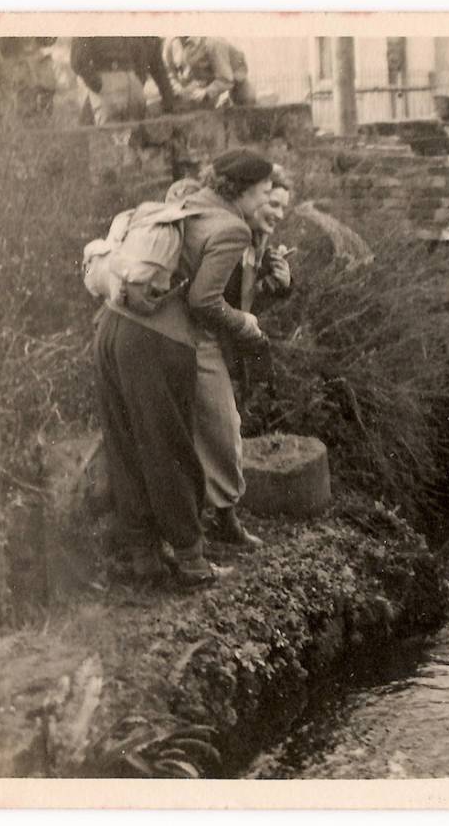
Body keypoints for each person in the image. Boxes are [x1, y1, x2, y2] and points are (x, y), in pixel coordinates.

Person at [95, 148, 273, 589]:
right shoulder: (232, 228)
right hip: (158, 341)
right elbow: (204, 301)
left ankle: (145, 559)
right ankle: (193, 563)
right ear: (247, 192)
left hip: (111, 326)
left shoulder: (185, 204)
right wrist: (246, 326)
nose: (267, 202)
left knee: (127, 445)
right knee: (170, 449)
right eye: (265, 192)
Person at [183, 165, 294, 548]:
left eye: (282, 207)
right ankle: (221, 517)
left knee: (225, 424)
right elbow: (214, 300)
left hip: (225, 342)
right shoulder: (233, 234)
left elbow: (242, 299)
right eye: (271, 202)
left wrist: (275, 286)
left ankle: (220, 514)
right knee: (221, 427)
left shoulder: (256, 242)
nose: (277, 213)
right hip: (204, 339)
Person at [70, 36, 176, 124]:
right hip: (128, 87)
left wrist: (98, 86)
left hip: (111, 87)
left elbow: (78, 61)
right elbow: (157, 67)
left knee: (104, 139)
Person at [164, 36, 256, 110]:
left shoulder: (213, 42)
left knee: (246, 104)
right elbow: (170, 73)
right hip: (201, 81)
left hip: (232, 80)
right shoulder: (171, 43)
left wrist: (206, 92)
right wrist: (178, 88)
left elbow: (226, 79)